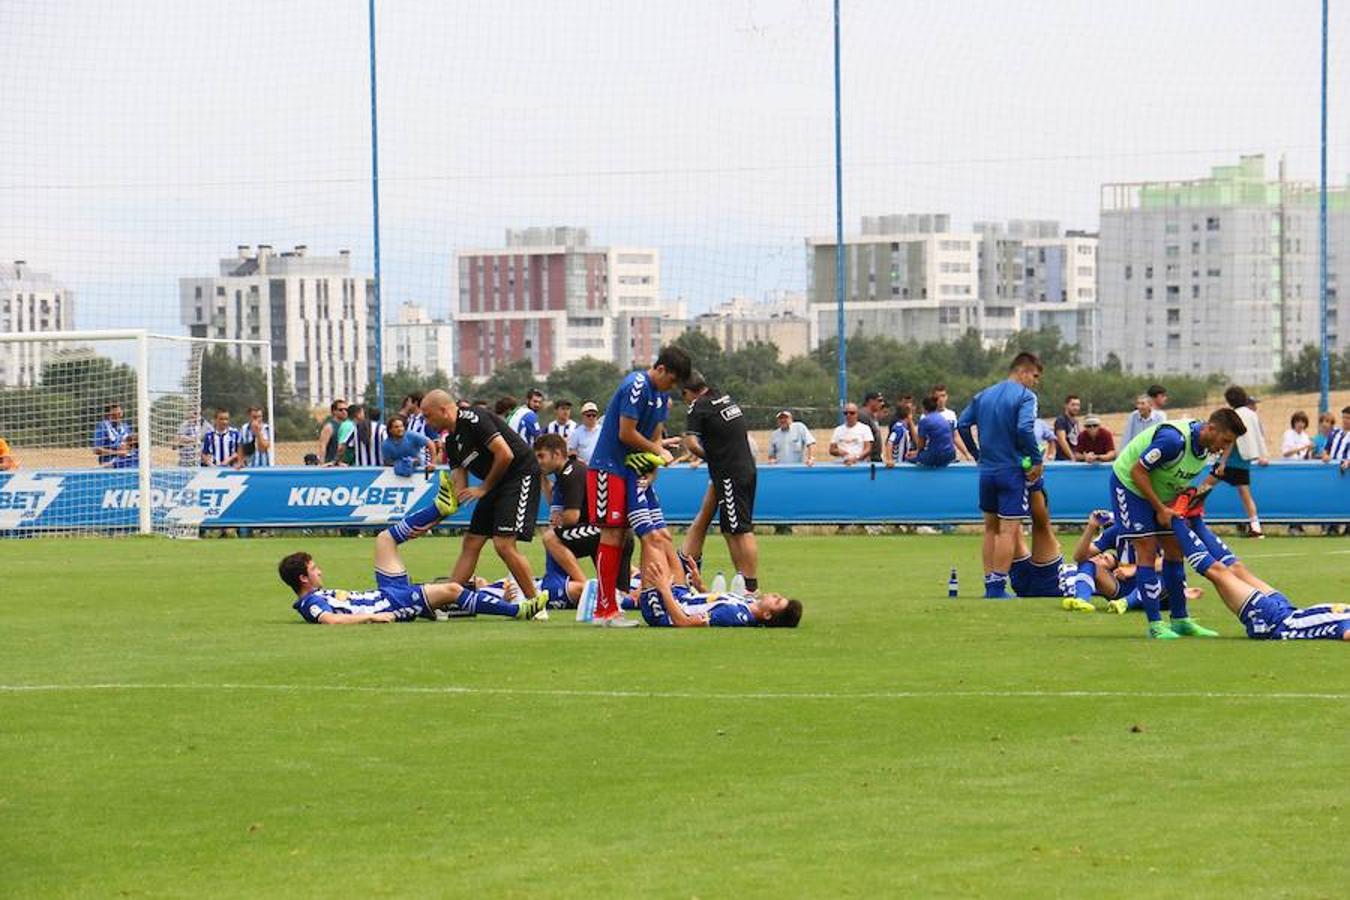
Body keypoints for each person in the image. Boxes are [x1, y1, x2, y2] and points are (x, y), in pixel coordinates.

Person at [1107, 407, 1245, 638]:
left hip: (1159, 493)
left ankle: (1180, 620)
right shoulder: (1173, 440)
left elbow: (1173, 478)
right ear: (1211, 428)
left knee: (1174, 550)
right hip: (1130, 487)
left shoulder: (1206, 448)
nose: (1225, 448)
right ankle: (1155, 626)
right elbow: (1138, 471)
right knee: (1147, 551)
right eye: (1225, 440)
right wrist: (1160, 509)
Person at [587, 345, 692, 627]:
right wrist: (658, 452)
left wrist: (654, 467)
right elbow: (626, 433)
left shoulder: (661, 396)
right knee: (611, 535)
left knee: (632, 536)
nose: (671, 387)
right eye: (670, 380)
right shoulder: (636, 384)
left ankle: (622, 604)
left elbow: (655, 437)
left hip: (632, 473)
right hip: (608, 469)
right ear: (660, 369)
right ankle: (604, 611)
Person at [415, 389, 546, 604]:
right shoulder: (450, 443)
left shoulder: (473, 418)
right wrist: (433, 521)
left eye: (428, 416)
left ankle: (536, 604)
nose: (427, 422)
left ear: (444, 410)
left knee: (503, 544)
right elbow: (460, 491)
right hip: (495, 483)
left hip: (519, 474)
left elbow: (505, 454)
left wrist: (484, 487)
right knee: (472, 541)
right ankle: (445, 601)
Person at [277, 529, 546, 625]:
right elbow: (331, 620)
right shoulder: (310, 603)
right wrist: (372, 616)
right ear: (303, 578)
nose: (320, 571)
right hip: (392, 604)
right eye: (314, 569)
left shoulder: (314, 595)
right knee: (452, 589)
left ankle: (441, 507)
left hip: (387, 592)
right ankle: (517, 611)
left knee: (385, 539)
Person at [1169, 504, 1348, 641]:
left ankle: (1174, 518)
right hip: (1288, 611)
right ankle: (1195, 517)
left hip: (1274, 623)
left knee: (1218, 573)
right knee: (1237, 568)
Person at [956, 352, 1044, 599]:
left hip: (987, 471)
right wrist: (1036, 459)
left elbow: (962, 425)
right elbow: (1024, 428)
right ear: (1023, 372)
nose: (1035, 382)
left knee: (990, 529)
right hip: (1011, 471)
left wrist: (976, 454)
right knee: (1008, 530)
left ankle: (988, 584)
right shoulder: (1026, 396)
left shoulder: (983, 395)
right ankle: (997, 588)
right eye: (1034, 376)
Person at [682, 372, 760, 594]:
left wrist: (710, 457)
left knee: (740, 530)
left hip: (729, 472)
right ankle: (742, 583)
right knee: (730, 529)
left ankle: (751, 588)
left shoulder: (698, 406)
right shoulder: (723, 397)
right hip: (746, 468)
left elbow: (691, 442)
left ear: (688, 392)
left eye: (684, 396)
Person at [533, 433, 629, 606]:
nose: (538, 461)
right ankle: (640, 583)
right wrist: (542, 478)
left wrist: (557, 522)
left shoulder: (571, 473)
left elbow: (572, 516)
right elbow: (555, 501)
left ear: (556, 454)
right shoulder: (567, 472)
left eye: (541, 456)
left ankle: (586, 589)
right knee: (620, 595)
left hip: (607, 533)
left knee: (550, 538)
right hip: (611, 532)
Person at [1203, 386, 1269, 538]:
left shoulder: (1233, 415)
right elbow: (1259, 435)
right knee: (1245, 494)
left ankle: (1193, 518)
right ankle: (1256, 527)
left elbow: (1230, 441)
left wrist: (1222, 461)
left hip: (1231, 459)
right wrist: (1261, 455)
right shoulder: (1252, 414)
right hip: (1244, 460)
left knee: (1204, 487)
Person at [637, 585, 803, 628]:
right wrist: (700, 586)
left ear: (767, 615)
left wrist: (665, 591)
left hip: (662, 611)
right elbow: (713, 602)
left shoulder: (732, 615)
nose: (776, 594)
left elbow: (684, 622)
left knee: (654, 542)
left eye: (777, 600)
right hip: (682, 596)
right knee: (662, 539)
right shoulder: (746, 605)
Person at [930, 384, 971, 460]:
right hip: (933, 455)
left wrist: (966, 454)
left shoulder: (951, 414)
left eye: (943, 396)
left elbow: (955, 437)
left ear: (947, 397)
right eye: (938, 397)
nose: (941, 399)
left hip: (948, 454)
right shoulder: (927, 415)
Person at [913, 396, 956, 468]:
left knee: (909, 457)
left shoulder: (925, 421)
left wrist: (916, 454)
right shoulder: (942, 418)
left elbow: (921, 445)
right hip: (951, 454)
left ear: (923, 408)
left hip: (937, 456)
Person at [93, 402, 138, 469]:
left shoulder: (125, 427)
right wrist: (117, 452)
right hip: (110, 464)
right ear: (108, 415)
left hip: (127, 460)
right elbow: (96, 450)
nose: (118, 416)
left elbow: (131, 444)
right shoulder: (103, 427)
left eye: (120, 414)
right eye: (114, 415)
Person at [316, 399, 348, 465]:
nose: (344, 412)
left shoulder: (347, 425)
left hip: (344, 465)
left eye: (346, 409)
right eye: (341, 410)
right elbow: (323, 446)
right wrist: (322, 464)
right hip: (331, 464)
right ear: (334, 411)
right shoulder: (329, 427)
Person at [857, 392, 885, 463]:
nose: (882, 403)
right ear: (870, 401)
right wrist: (866, 456)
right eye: (879, 401)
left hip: (875, 457)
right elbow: (862, 437)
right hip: (869, 459)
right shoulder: (863, 415)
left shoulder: (872, 416)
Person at [884, 402, 914, 467]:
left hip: (903, 463)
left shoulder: (904, 429)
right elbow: (889, 442)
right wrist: (889, 459)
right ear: (908, 415)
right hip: (898, 464)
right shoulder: (899, 428)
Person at [1320, 406, 1350, 472]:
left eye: (1348, 418)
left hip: (1346, 471)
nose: (1345, 420)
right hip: (1332, 469)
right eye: (1344, 417)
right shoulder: (1335, 432)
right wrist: (1325, 456)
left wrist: (1348, 462)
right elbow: (1325, 450)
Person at [1053, 395, 1081, 461]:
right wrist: (1072, 457)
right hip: (1063, 460)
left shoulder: (1075, 422)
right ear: (1066, 405)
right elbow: (1062, 440)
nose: (1076, 407)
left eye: (1078, 405)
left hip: (1075, 458)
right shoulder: (1061, 420)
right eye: (1073, 405)